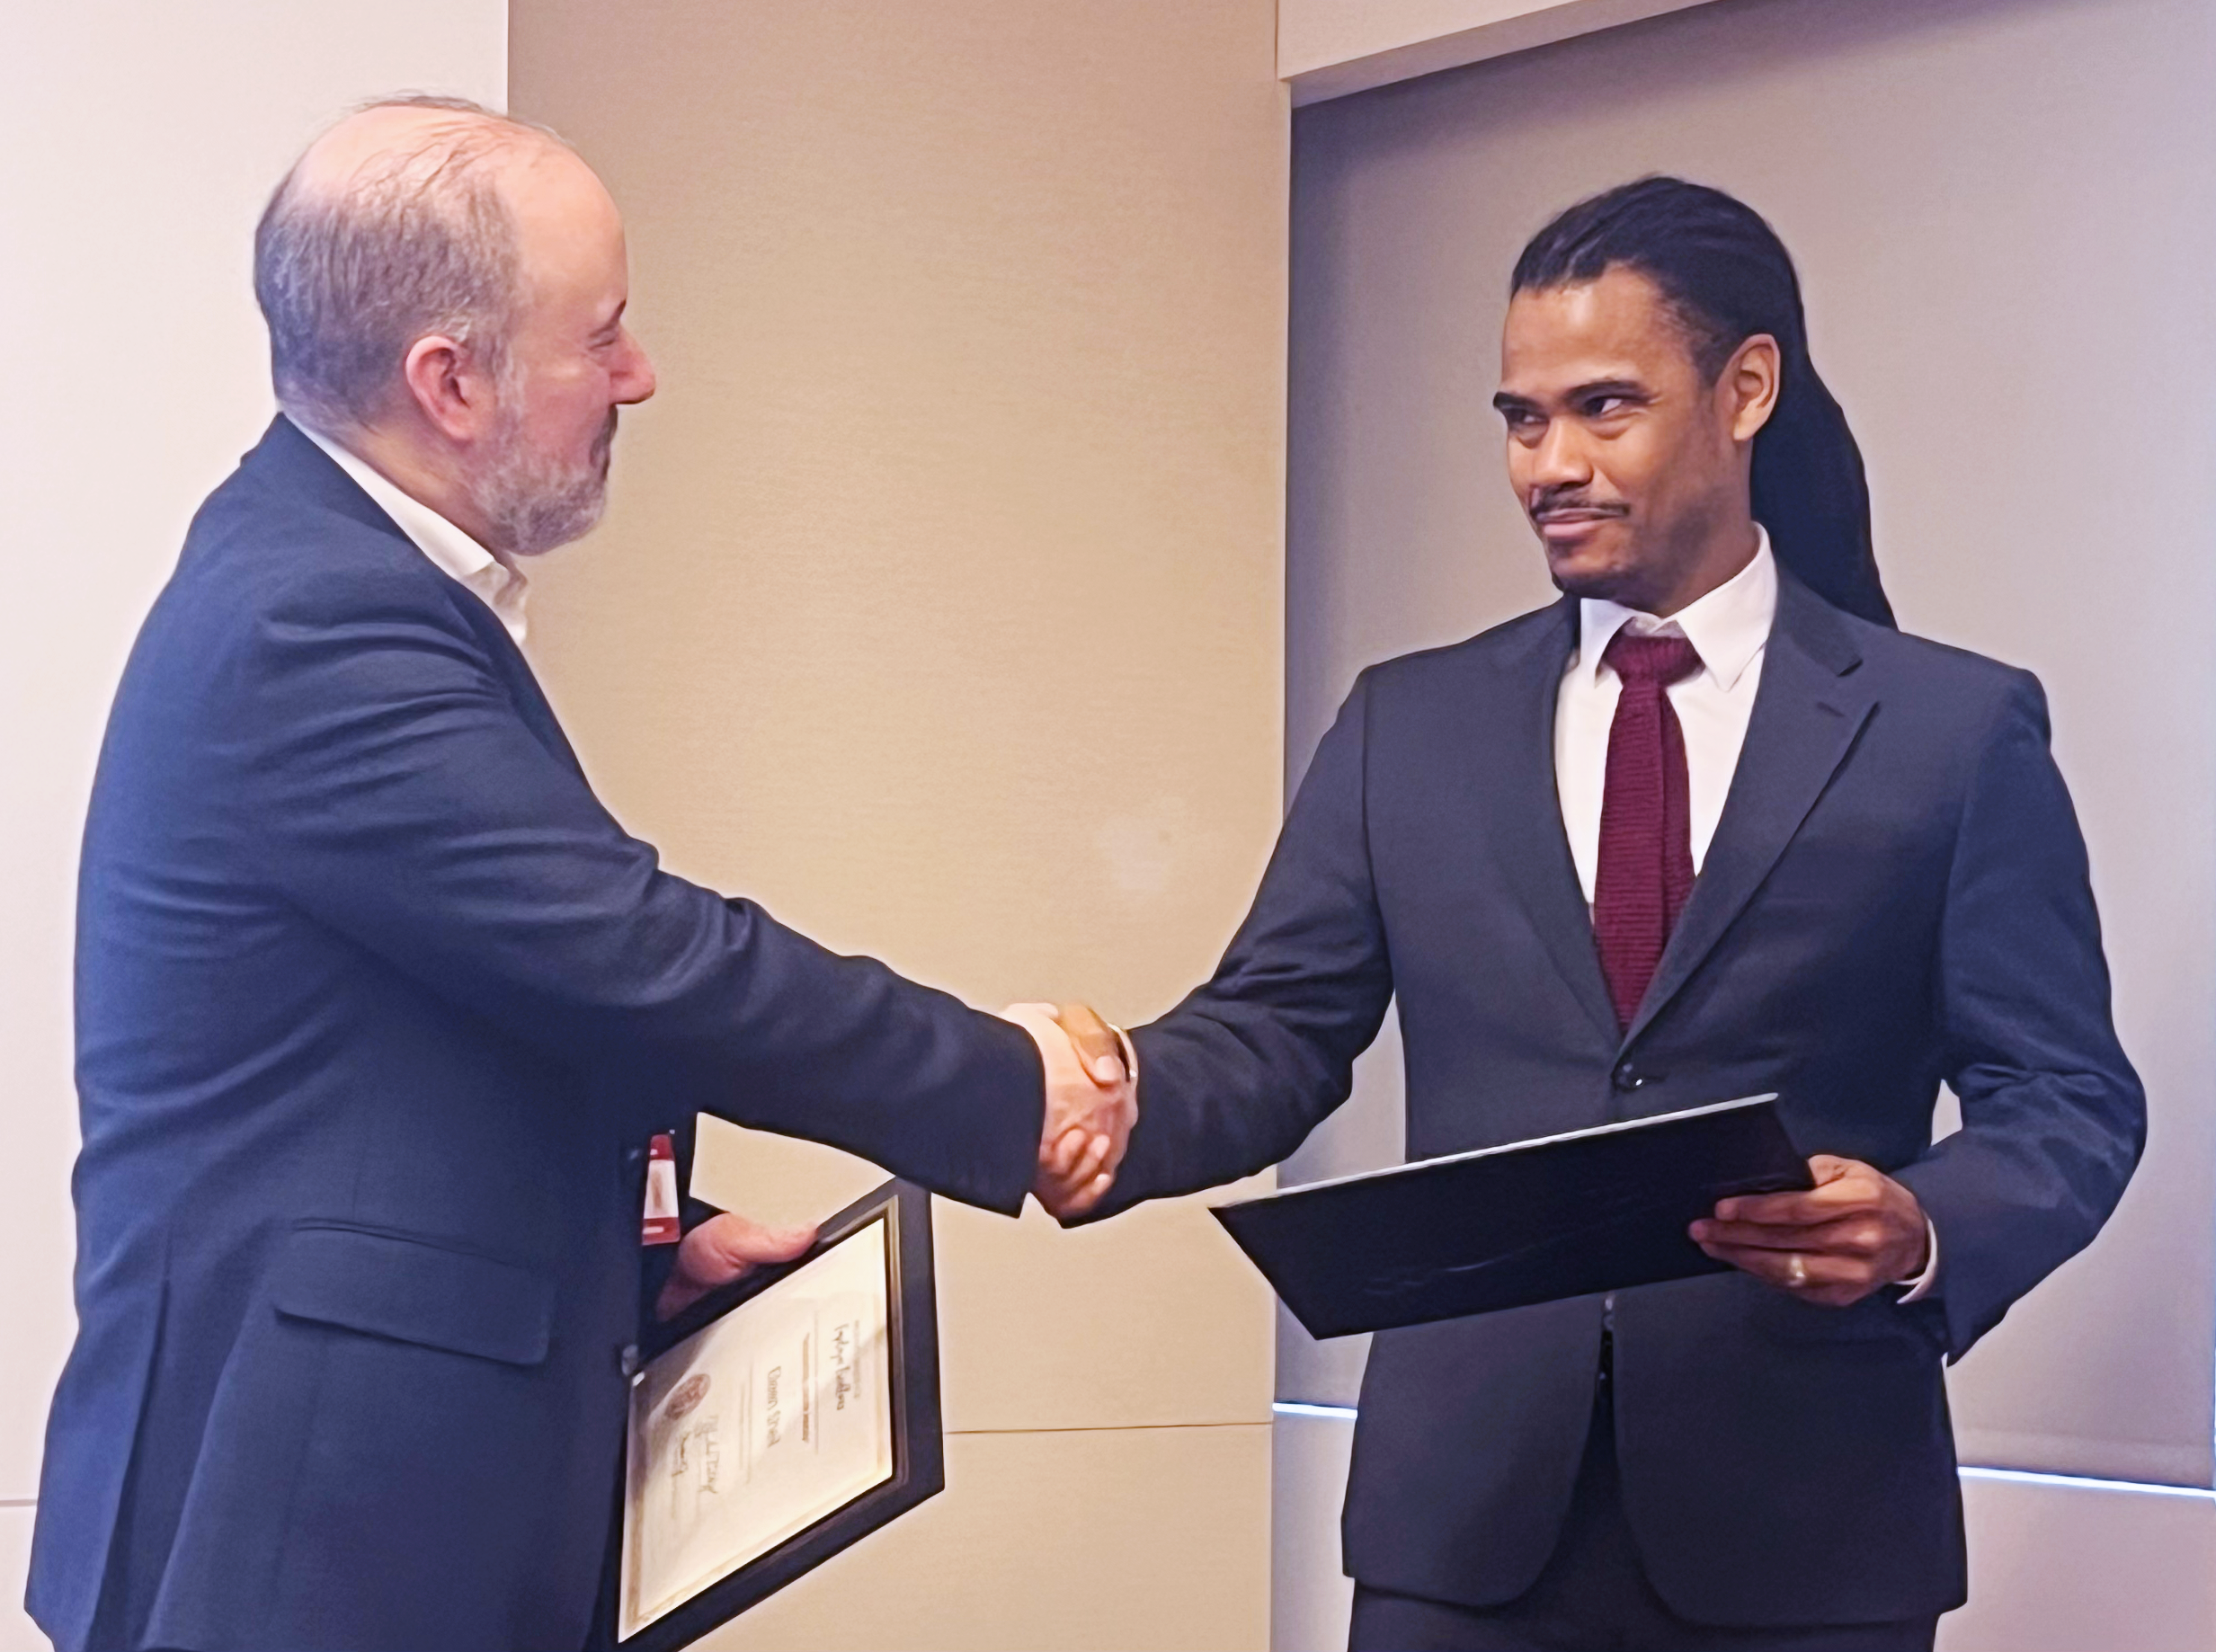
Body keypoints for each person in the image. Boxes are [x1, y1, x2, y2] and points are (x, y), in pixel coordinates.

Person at [29, 97, 1132, 1652]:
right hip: (303, 1535)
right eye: (600, 333)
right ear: (452, 379)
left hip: (340, 1506)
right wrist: (1015, 1091)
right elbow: (639, 956)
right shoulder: (315, 621)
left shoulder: (322, 568)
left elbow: (415, 1054)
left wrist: (647, 1247)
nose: (641, 374)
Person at [1057, 177, 2146, 1650]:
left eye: (1605, 407)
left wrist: (1924, 1225)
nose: (1548, 463)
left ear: (1745, 388)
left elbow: (2068, 1096)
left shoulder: (1951, 731)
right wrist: (1115, 1092)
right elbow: (1274, 1031)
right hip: (1460, 1531)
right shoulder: (1408, 724)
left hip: (1809, 1535)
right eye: (1521, 417)